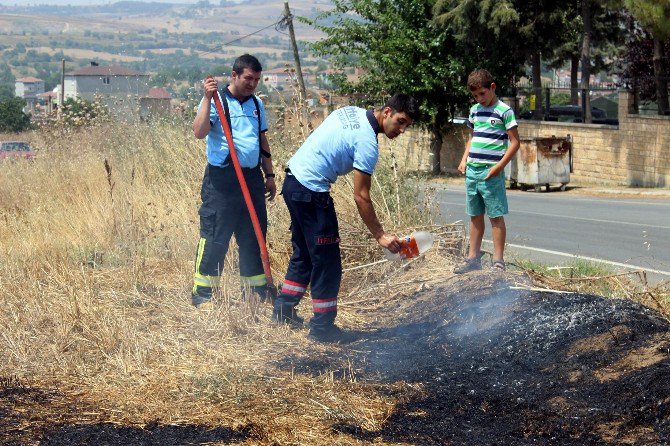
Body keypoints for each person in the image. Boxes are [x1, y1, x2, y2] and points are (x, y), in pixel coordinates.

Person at [273, 94, 419, 342]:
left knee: (306, 254)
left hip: (292, 182)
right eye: (400, 121)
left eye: (407, 126)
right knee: (327, 261)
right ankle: (322, 328)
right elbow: (361, 196)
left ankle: (283, 311)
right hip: (311, 191)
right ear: (387, 112)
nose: (402, 130)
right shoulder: (367, 144)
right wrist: (380, 235)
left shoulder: (351, 111)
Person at [190, 54, 276, 308]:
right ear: (234, 75)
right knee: (216, 236)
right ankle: (204, 296)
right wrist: (207, 98)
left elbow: (262, 141)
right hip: (223, 181)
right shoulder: (216, 101)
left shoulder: (257, 105)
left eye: (257, 79)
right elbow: (199, 132)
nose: (252, 84)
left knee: (253, 235)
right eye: (248, 78)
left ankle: (255, 293)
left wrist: (269, 176)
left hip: (251, 178)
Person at [455, 69, 520, 274]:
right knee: (475, 215)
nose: (478, 99)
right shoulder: (475, 110)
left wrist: (499, 166)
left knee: (495, 216)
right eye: (475, 96)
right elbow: (473, 138)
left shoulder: (504, 111)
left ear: (492, 87)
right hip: (472, 171)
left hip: (490, 172)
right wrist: (464, 159)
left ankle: (498, 261)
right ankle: (473, 258)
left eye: (482, 94)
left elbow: (515, 142)